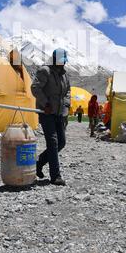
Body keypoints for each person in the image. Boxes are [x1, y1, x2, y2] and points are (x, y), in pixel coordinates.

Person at [31, 48, 70, 186]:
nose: (62, 64)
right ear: (54, 60)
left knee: (61, 143)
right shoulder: (45, 71)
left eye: (64, 61)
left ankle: (39, 163)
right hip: (46, 113)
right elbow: (35, 88)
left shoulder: (64, 75)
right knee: (53, 143)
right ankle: (55, 176)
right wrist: (45, 103)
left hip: (60, 113)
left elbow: (67, 92)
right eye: (60, 61)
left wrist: (67, 106)